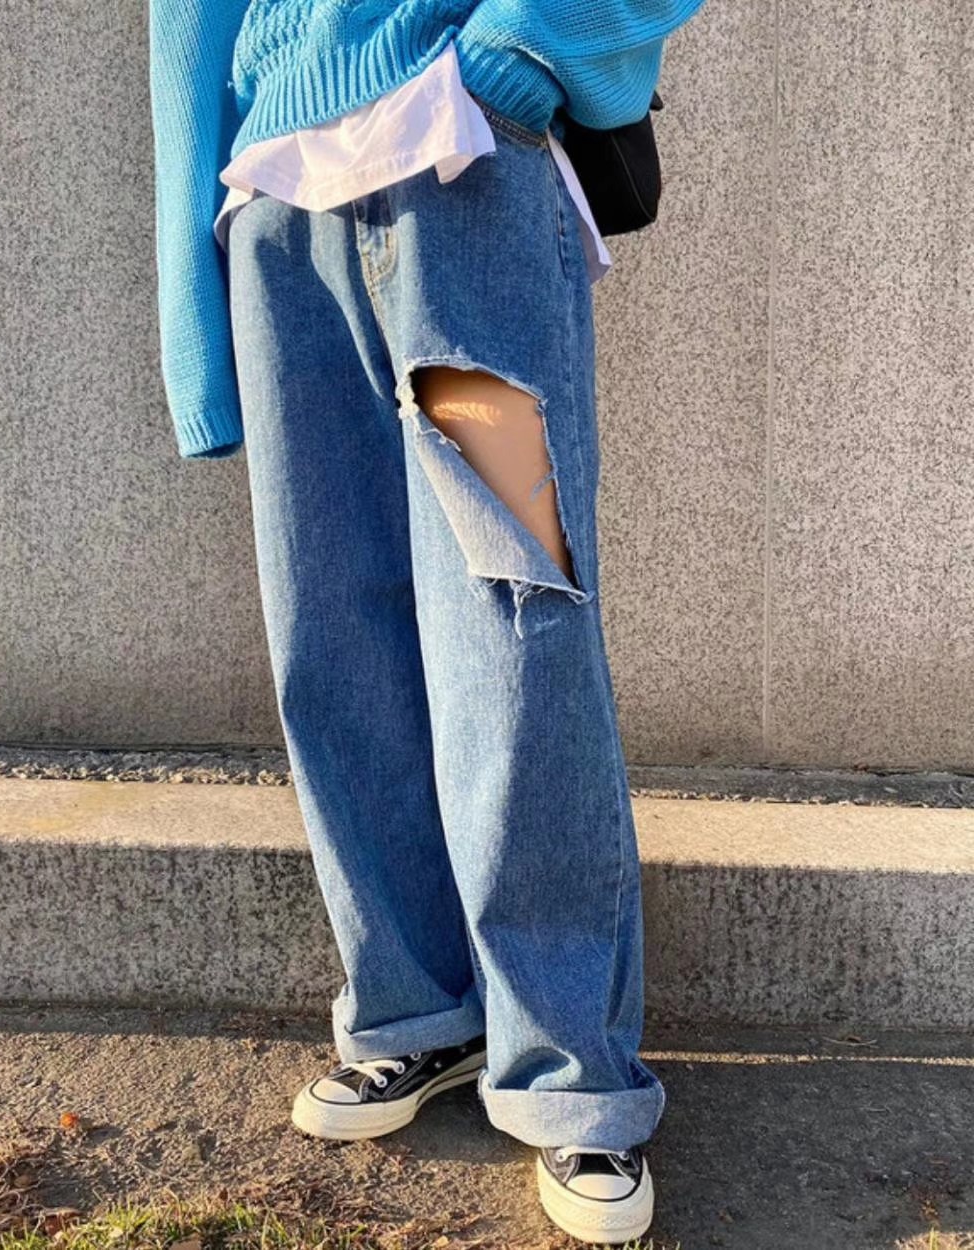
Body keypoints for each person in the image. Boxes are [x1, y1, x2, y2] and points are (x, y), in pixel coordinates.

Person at [149, 1, 706, 1242]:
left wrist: (521, 49)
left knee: (516, 629)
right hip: (280, 212)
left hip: (460, 173)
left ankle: (572, 1070)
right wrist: (193, 298)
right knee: (328, 637)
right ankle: (414, 1006)